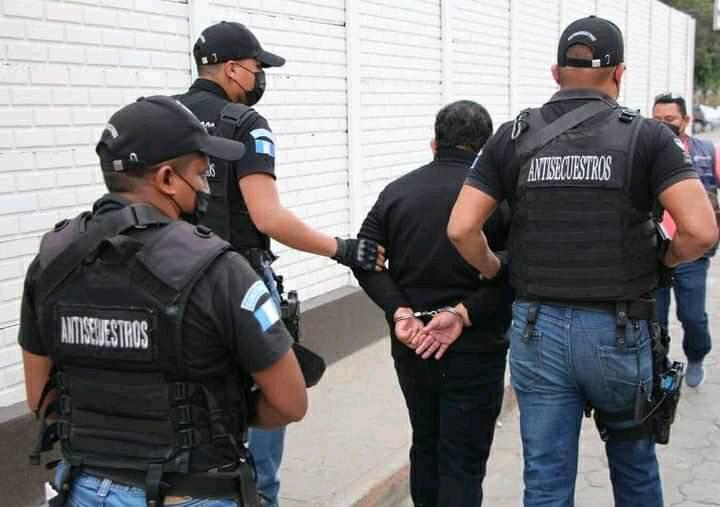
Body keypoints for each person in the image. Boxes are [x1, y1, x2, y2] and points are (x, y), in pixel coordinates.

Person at [447, 16, 718, 507]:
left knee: (547, 483)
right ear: (619, 74)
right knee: (635, 471)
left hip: (537, 328)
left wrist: (495, 270)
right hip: (620, 329)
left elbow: (461, 228)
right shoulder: (648, 138)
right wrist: (665, 259)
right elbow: (701, 230)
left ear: (556, 73)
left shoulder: (511, 136)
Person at [19, 96, 308, 507]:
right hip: (192, 491)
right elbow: (291, 401)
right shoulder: (221, 268)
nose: (206, 186)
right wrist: (223, 416)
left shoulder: (50, 261)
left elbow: (40, 399)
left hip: (82, 487)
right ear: (168, 178)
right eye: (201, 173)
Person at [175, 22, 383, 506]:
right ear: (231, 69)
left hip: (166, 276)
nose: (260, 77)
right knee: (268, 385)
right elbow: (267, 216)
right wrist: (341, 248)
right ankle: (259, 493)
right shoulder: (244, 124)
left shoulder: (162, 116)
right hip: (236, 277)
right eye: (256, 67)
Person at [353, 100, 514, 507]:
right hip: (477, 346)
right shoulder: (499, 201)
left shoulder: (397, 193)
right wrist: (466, 312)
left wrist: (399, 310)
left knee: (425, 444)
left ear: (434, 143)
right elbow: (517, 270)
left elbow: (365, 259)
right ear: (486, 150)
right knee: (462, 460)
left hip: (413, 346)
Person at [652, 93, 719, 387]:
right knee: (655, 318)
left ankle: (696, 355)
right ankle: (660, 364)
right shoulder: (644, 152)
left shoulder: (707, 152)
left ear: (686, 121)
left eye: (670, 120)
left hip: (691, 251)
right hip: (654, 250)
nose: (664, 126)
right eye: (657, 121)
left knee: (692, 316)